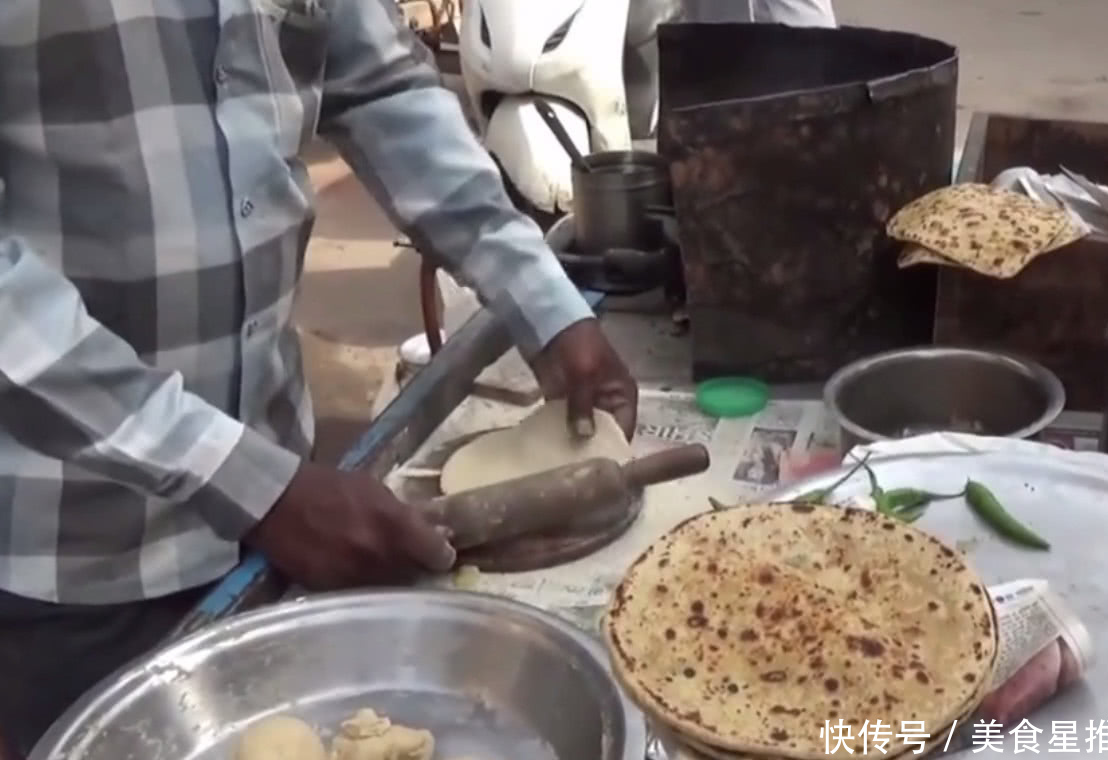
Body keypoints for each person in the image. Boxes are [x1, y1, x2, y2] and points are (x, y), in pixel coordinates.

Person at [0, 1, 638, 755]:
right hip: (73, 549)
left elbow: (378, 86)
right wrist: (242, 480)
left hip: (285, 512)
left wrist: (543, 301)